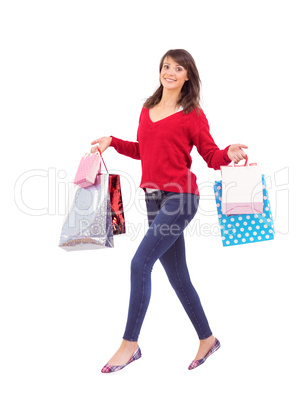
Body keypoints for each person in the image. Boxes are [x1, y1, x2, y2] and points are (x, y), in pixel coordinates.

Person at [91, 49, 247, 373]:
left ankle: (129, 344)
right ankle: (207, 339)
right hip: (152, 199)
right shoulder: (148, 109)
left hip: (181, 198)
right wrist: (112, 141)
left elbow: (210, 154)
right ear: (159, 71)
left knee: (139, 264)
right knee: (178, 277)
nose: (170, 72)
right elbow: (143, 150)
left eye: (178, 68)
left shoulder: (192, 113)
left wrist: (228, 153)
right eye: (166, 66)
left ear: (188, 75)